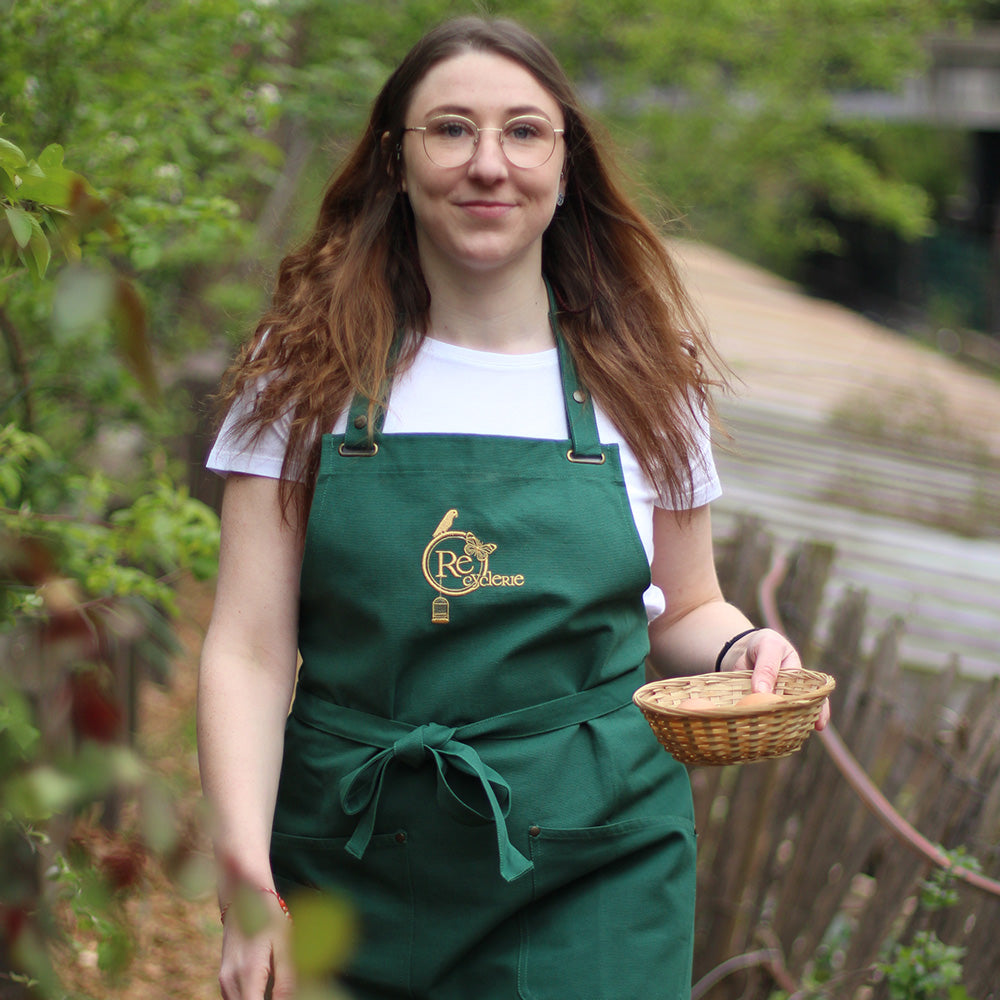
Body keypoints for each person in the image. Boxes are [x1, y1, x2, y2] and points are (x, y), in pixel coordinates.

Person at [198, 15, 829, 1000]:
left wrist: (740, 647)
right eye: (450, 129)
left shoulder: (647, 382)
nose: (488, 163)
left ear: (567, 164)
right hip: (349, 857)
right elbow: (245, 646)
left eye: (524, 131)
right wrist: (243, 879)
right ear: (395, 163)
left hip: (593, 867)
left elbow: (686, 602)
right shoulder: (303, 375)